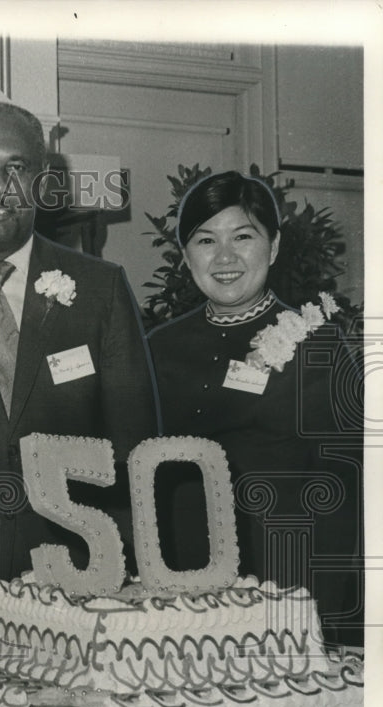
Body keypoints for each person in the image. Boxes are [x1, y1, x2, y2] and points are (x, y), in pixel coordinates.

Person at [0, 102, 158, 641]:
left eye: (16, 168)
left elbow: (137, 452)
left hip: (78, 579)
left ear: (42, 180)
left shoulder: (100, 288)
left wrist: (128, 574)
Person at [147, 170, 362, 646]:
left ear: (274, 246)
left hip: (285, 590)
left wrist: (313, 616)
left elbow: (344, 494)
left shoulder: (316, 342)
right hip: (181, 594)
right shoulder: (157, 348)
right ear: (185, 255)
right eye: (205, 240)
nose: (224, 257)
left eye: (243, 236)